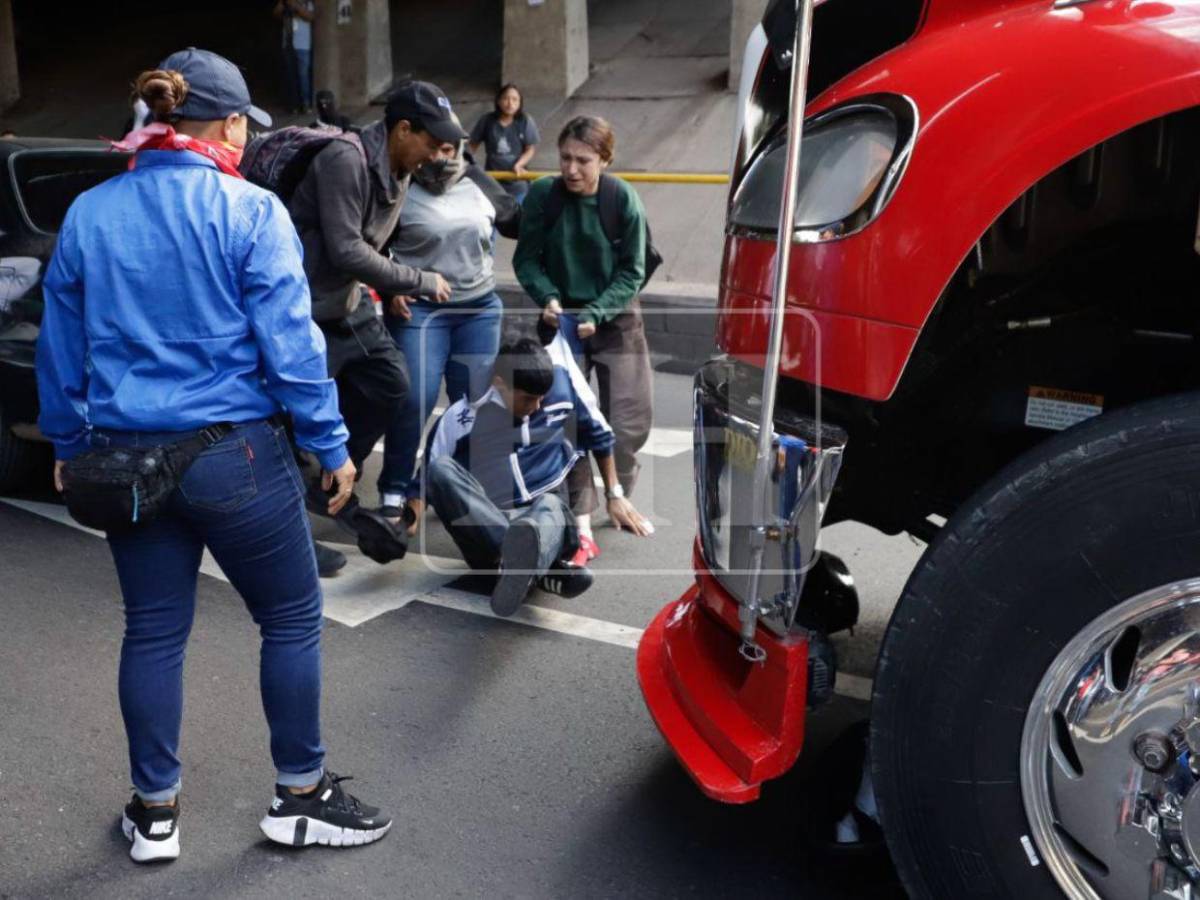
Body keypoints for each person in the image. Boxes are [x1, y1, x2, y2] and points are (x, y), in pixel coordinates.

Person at [35, 49, 390, 864]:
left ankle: (154, 816)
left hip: (128, 458)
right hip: (237, 457)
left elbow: (63, 342)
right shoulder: (249, 210)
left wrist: (67, 439)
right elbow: (292, 347)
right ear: (229, 125)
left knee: (153, 633)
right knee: (291, 619)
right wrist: (330, 443)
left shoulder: (91, 212)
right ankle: (301, 798)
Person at [286, 80, 464, 564]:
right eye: (432, 142)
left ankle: (330, 478)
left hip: (348, 301)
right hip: (301, 309)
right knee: (287, 418)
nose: (437, 154)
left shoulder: (401, 167)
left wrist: (388, 288)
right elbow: (346, 247)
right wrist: (415, 281)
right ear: (403, 129)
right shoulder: (344, 160)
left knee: (391, 383)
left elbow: (374, 240)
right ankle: (289, 539)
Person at [417, 331, 652, 616]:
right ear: (499, 384)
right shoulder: (462, 416)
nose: (537, 406)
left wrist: (615, 494)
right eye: (528, 398)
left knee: (548, 507)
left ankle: (518, 565)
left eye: (542, 398)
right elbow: (427, 478)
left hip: (547, 516)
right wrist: (403, 517)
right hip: (489, 526)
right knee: (440, 471)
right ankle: (533, 568)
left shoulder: (562, 389)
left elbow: (599, 435)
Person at [512, 115, 654, 563]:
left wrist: (598, 312)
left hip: (614, 312)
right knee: (567, 416)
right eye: (566, 159)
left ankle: (618, 491)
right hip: (562, 315)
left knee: (628, 420)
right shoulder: (543, 196)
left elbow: (633, 270)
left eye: (584, 161)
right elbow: (526, 260)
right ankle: (579, 509)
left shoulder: (621, 199)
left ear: (605, 160)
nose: (572, 169)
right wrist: (548, 296)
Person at [378, 134, 520, 529]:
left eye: (449, 149)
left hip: (478, 308)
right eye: (435, 148)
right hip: (421, 309)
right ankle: (393, 488)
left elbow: (522, 224)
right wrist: (391, 287)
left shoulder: (477, 182)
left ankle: (443, 488)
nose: (441, 158)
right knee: (414, 398)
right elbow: (369, 245)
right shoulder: (400, 186)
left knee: (474, 407)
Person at [469, 83, 539, 203]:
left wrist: (519, 164)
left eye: (515, 99)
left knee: (519, 215)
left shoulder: (525, 120)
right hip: (493, 182)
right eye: (506, 98)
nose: (510, 103)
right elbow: (472, 146)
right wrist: (467, 163)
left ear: (520, 102)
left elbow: (530, 149)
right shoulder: (487, 120)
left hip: (518, 182)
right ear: (498, 101)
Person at [274, 0, 315, 113]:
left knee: (303, 76)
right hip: (287, 43)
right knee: (290, 75)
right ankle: (294, 105)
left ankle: (306, 104)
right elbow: (276, 14)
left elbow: (310, 17)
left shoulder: (307, 3)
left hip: (303, 44)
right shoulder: (285, 3)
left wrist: (295, 5)